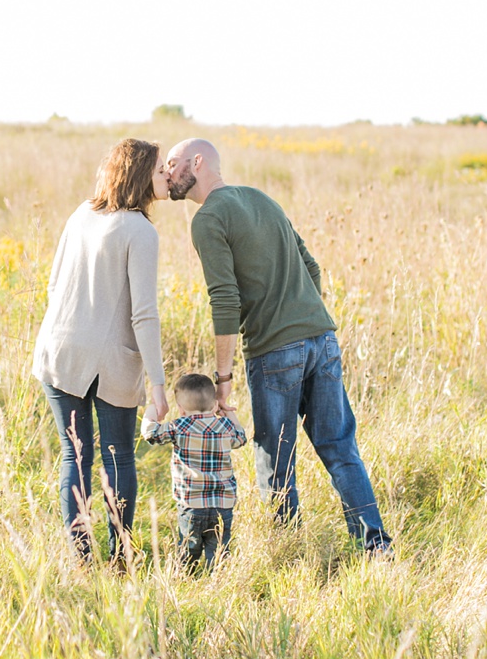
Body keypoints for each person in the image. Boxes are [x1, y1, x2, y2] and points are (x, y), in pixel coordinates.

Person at [166, 138, 392, 556]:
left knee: (275, 455)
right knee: (340, 448)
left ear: (198, 163)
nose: (167, 172)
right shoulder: (260, 199)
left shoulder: (207, 218)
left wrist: (223, 378)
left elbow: (225, 299)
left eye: (173, 163)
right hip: (321, 338)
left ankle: (287, 552)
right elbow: (311, 266)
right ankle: (376, 547)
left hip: (274, 350)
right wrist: (303, 315)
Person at [32, 138, 170, 563]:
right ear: (142, 174)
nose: (166, 175)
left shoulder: (81, 214)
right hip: (105, 360)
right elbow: (144, 314)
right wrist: (158, 384)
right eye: (160, 168)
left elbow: (54, 285)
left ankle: (82, 560)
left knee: (74, 456)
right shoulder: (140, 231)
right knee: (118, 456)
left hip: (58, 347)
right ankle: (121, 556)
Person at [141, 372, 247, 567]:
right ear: (215, 405)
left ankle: (184, 577)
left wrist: (151, 410)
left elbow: (150, 433)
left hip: (191, 504)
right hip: (223, 505)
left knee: (188, 549)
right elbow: (241, 437)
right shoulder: (225, 426)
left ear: (181, 409)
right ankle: (219, 580)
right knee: (219, 551)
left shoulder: (179, 426)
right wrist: (228, 411)